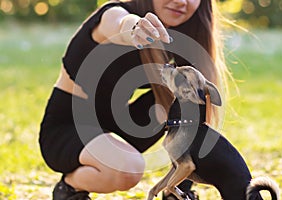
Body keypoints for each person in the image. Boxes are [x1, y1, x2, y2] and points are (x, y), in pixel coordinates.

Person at [38, 0, 231, 199]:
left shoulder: (183, 37)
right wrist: (135, 28)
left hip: (117, 127)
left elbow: (194, 127)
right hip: (68, 128)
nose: (181, 1)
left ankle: (177, 192)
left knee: (184, 102)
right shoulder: (115, 13)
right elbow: (119, 23)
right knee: (129, 169)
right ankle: (70, 188)